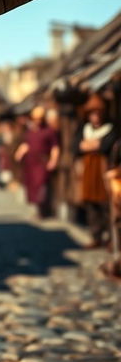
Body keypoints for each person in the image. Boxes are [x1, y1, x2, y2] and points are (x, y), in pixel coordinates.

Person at [73, 94, 116, 248]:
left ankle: (111, 237)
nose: (95, 117)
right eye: (92, 114)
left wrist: (91, 145)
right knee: (91, 206)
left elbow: (104, 146)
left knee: (106, 206)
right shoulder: (84, 129)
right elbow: (77, 147)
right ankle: (96, 236)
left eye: (98, 114)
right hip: (88, 172)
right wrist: (93, 145)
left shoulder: (110, 129)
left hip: (103, 171)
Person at [14, 105, 59, 219]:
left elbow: (55, 147)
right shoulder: (29, 131)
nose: (37, 121)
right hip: (31, 163)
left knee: (41, 186)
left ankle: (44, 209)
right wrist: (20, 152)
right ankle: (38, 209)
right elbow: (27, 144)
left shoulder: (49, 131)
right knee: (33, 186)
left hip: (42, 162)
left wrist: (53, 160)